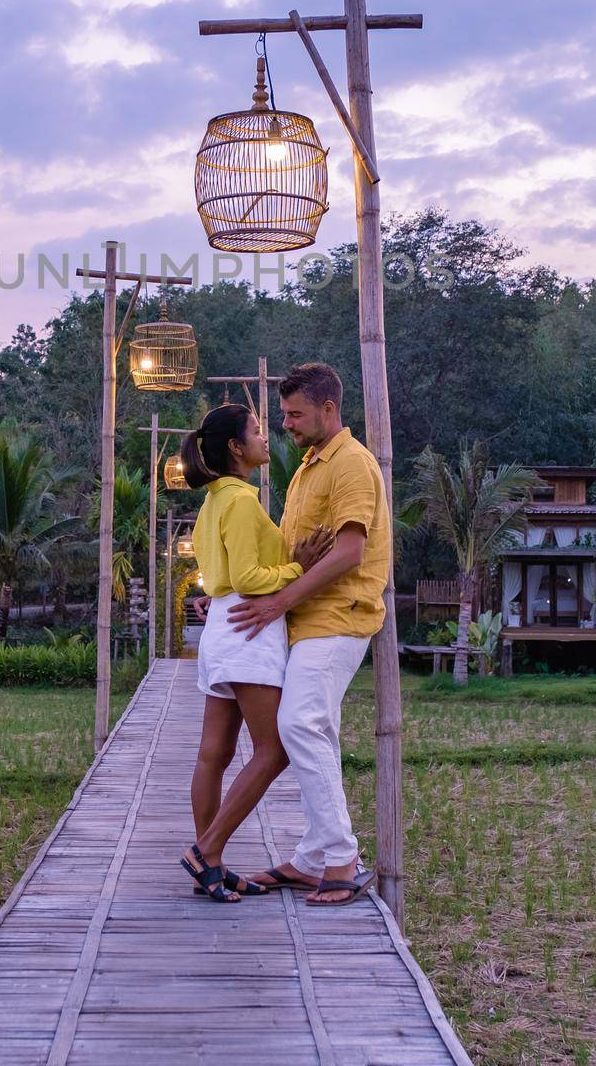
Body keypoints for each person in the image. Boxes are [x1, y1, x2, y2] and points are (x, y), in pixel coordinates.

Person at [229, 362, 390, 906]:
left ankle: (342, 857)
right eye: (283, 415)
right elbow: (294, 551)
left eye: (296, 415)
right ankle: (311, 859)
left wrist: (278, 601)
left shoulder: (351, 463)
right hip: (306, 620)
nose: (287, 424)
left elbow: (350, 551)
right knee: (315, 732)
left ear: (328, 408)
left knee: (298, 723)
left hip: (339, 616)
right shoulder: (305, 468)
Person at [177, 403, 332, 904]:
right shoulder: (241, 502)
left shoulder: (213, 502)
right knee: (276, 749)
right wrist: (298, 570)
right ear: (236, 449)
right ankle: (207, 849)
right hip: (251, 626)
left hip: (224, 625)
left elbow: (224, 577)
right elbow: (248, 579)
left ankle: (212, 867)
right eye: (258, 431)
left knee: (214, 754)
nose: (267, 437)